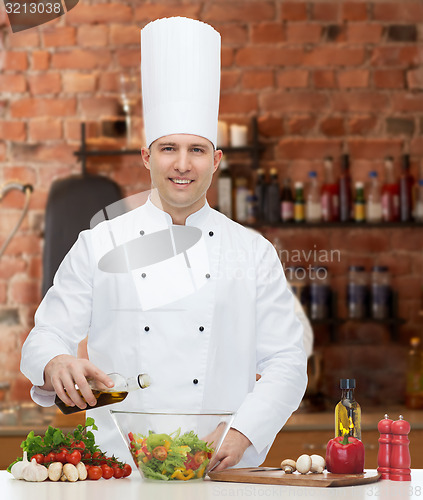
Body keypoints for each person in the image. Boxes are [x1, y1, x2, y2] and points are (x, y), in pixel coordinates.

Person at [20, 17, 307, 471]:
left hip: (217, 466)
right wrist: (56, 360)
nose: (182, 164)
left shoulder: (252, 253)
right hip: (116, 469)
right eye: (169, 148)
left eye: (196, 150)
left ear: (215, 161)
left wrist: (244, 430)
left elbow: (288, 361)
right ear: (147, 157)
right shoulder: (99, 244)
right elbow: (44, 336)